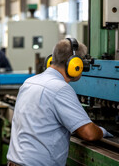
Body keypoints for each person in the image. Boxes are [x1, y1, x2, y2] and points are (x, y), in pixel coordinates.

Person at [7, 38, 113, 166]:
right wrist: (103, 132)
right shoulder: (60, 88)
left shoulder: (29, 82)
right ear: (75, 64)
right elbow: (89, 133)